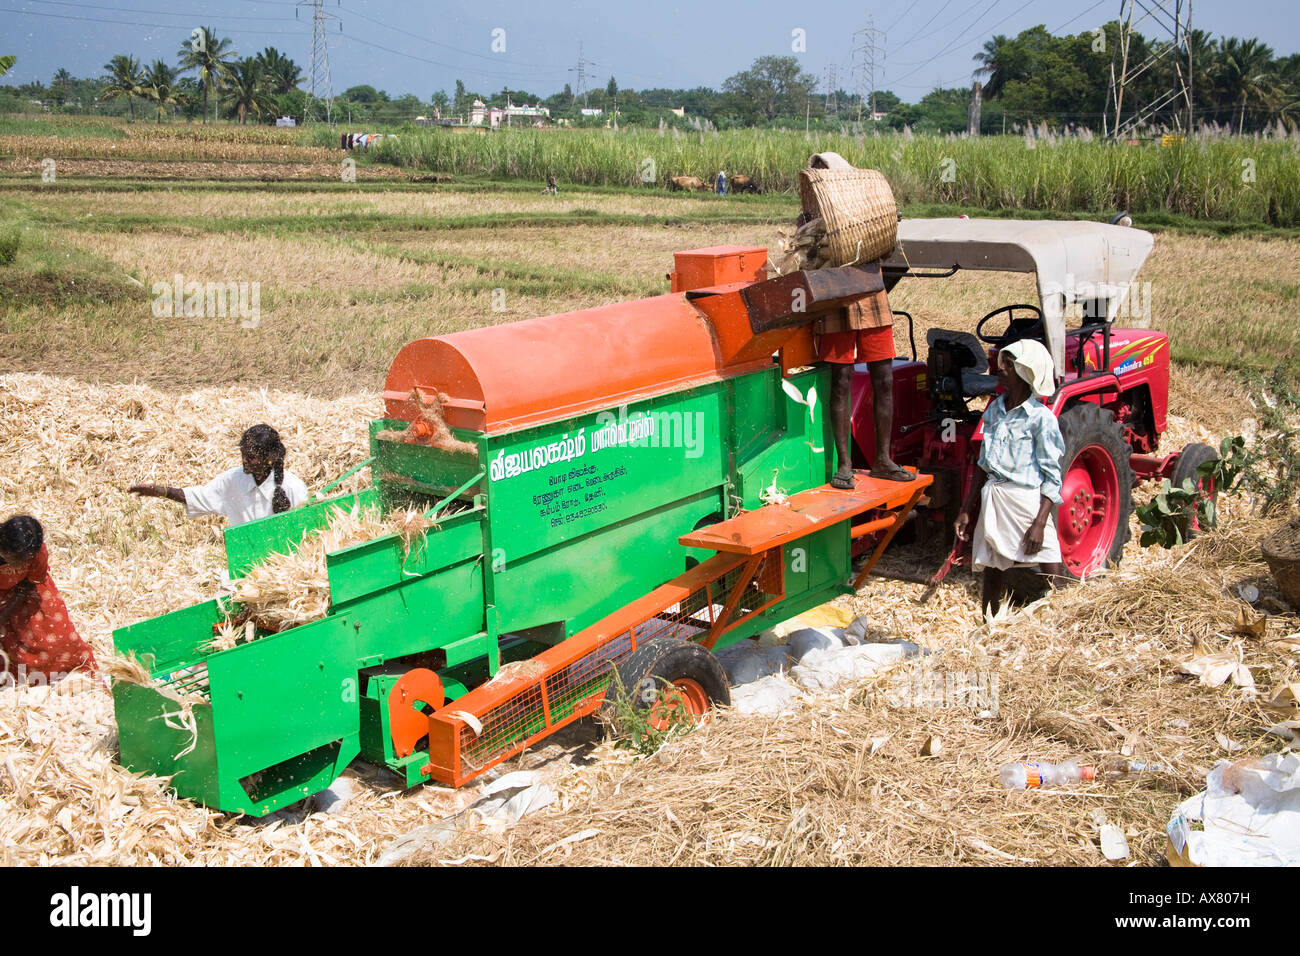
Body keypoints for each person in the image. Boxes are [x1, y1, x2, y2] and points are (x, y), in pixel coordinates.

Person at [804, 151, 913, 488]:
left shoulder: (866, 206)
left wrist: (889, 223)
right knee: (840, 381)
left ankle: (882, 459)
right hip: (836, 299)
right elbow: (807, 257)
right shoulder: (809, 216)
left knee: (883, 378)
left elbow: (886, 250)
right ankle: (844, 464)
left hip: (872, 297)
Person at [954, 338, 1067, 615]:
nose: (1001, 367)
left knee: (1052, 565)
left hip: (1026, 501)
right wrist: (967, 509)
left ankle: (1064, 623)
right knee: (993, 570)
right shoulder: (995, 409)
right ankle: (988, 625)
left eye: (1009, 363)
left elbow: (1053, 476)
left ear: (1027, 371)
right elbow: (983, 462)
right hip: (995, 497)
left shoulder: (1042, 418)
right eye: (1003, 361)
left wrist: (1040, 523)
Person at [129, 424, 308, 527]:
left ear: (270, 457)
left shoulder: (293, 487)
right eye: (243, 455)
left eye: (251, 457)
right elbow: (199, 496)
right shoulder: (233, 480)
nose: (244, 461)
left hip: (285, 570)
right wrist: (163, 491)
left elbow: (306, 531)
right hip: (246, 568)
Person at [0, 514, 98, 684]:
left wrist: (5, 614)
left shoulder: (35, 551)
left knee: (59, 640)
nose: (21, 564)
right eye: (17, 560)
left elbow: (32, 580)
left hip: (24, 591)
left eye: (27, 559)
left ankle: (73, 672)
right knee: (14, 655)